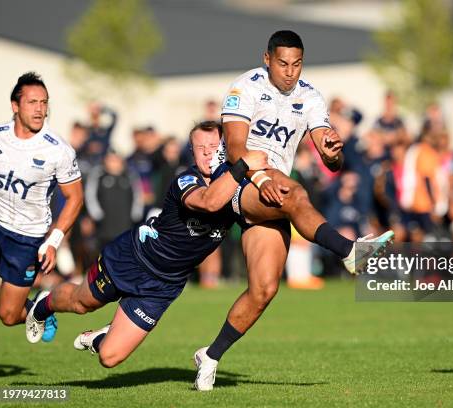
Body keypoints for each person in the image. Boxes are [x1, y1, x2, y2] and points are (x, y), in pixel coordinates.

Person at [194, 30, 393, 391]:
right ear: (267, 58)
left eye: (296, 64)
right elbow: (237, 149)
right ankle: (350, 252)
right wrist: (258, 181)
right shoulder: (245, 88)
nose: (290, 71)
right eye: (283, 63)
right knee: (295, 192)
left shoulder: (311, 96)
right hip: (239, 184)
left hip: (274, 194)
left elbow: (331, 158)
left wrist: (333, 152)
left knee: (264, 290)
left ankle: (210, 356)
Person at [25, 121, 269, 369]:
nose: (207, 152)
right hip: (133, 258)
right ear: (192, 152)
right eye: (199, 147)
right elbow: (209, 202)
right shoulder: (186, 180)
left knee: (109, 358)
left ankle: (102, 336)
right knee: (82, 303)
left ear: (225, 148)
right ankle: (43, 304)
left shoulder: (239, 192)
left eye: (213, 146)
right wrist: (244, 164)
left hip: (164, 285)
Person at [0, 72, 83, 343]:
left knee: (8, 316)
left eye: (44, 103)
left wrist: (53, 242)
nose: (40, 109)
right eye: (32, 102)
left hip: (26, 237)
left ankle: (37, 309)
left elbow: (75, 198)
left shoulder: (58, 150)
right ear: (15, 106)